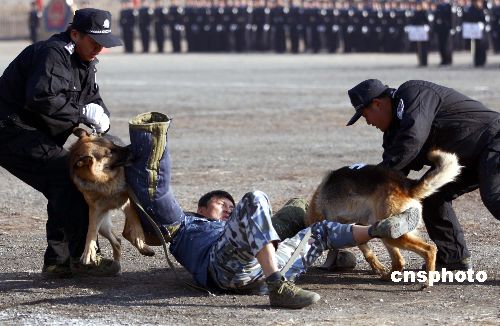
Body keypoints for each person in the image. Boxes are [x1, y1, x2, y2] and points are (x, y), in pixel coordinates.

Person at [125, 112, 421, 309]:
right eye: (221, 204)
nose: (229, 209)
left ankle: (377, 229)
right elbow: (157, 193)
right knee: (255, 198)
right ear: (201, 209)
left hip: (271, 262)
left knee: (318, 229)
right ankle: (278, 287)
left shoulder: (248, 229)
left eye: (231, 206)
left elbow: (294, 216)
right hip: (222, 266)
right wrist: (149, 139)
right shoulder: (185, 225)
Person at [0, 8, 123, 277]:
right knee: (65, 178)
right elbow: (41, 97)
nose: (98, 50)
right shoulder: (53, 53)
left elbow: (92, 97)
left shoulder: (85, 61)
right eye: (94, 43)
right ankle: (84, 258)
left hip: (34, 133)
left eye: (103, 44)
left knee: (63, 181)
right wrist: (80, 113)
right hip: (10, 130)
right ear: (75, 34)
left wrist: (102, 117)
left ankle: (58, 262)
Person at [345, 79, 500, 270]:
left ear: (377, 104)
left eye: (364, 114)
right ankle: (453, 260)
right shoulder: (393, 134)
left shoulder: (413, 94)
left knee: (495, 197)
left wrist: (373, 177)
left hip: (493, 141)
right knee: (432, 195)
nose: (367, 122)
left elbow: (413, 139)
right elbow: (394, 173)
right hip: (467, 158)